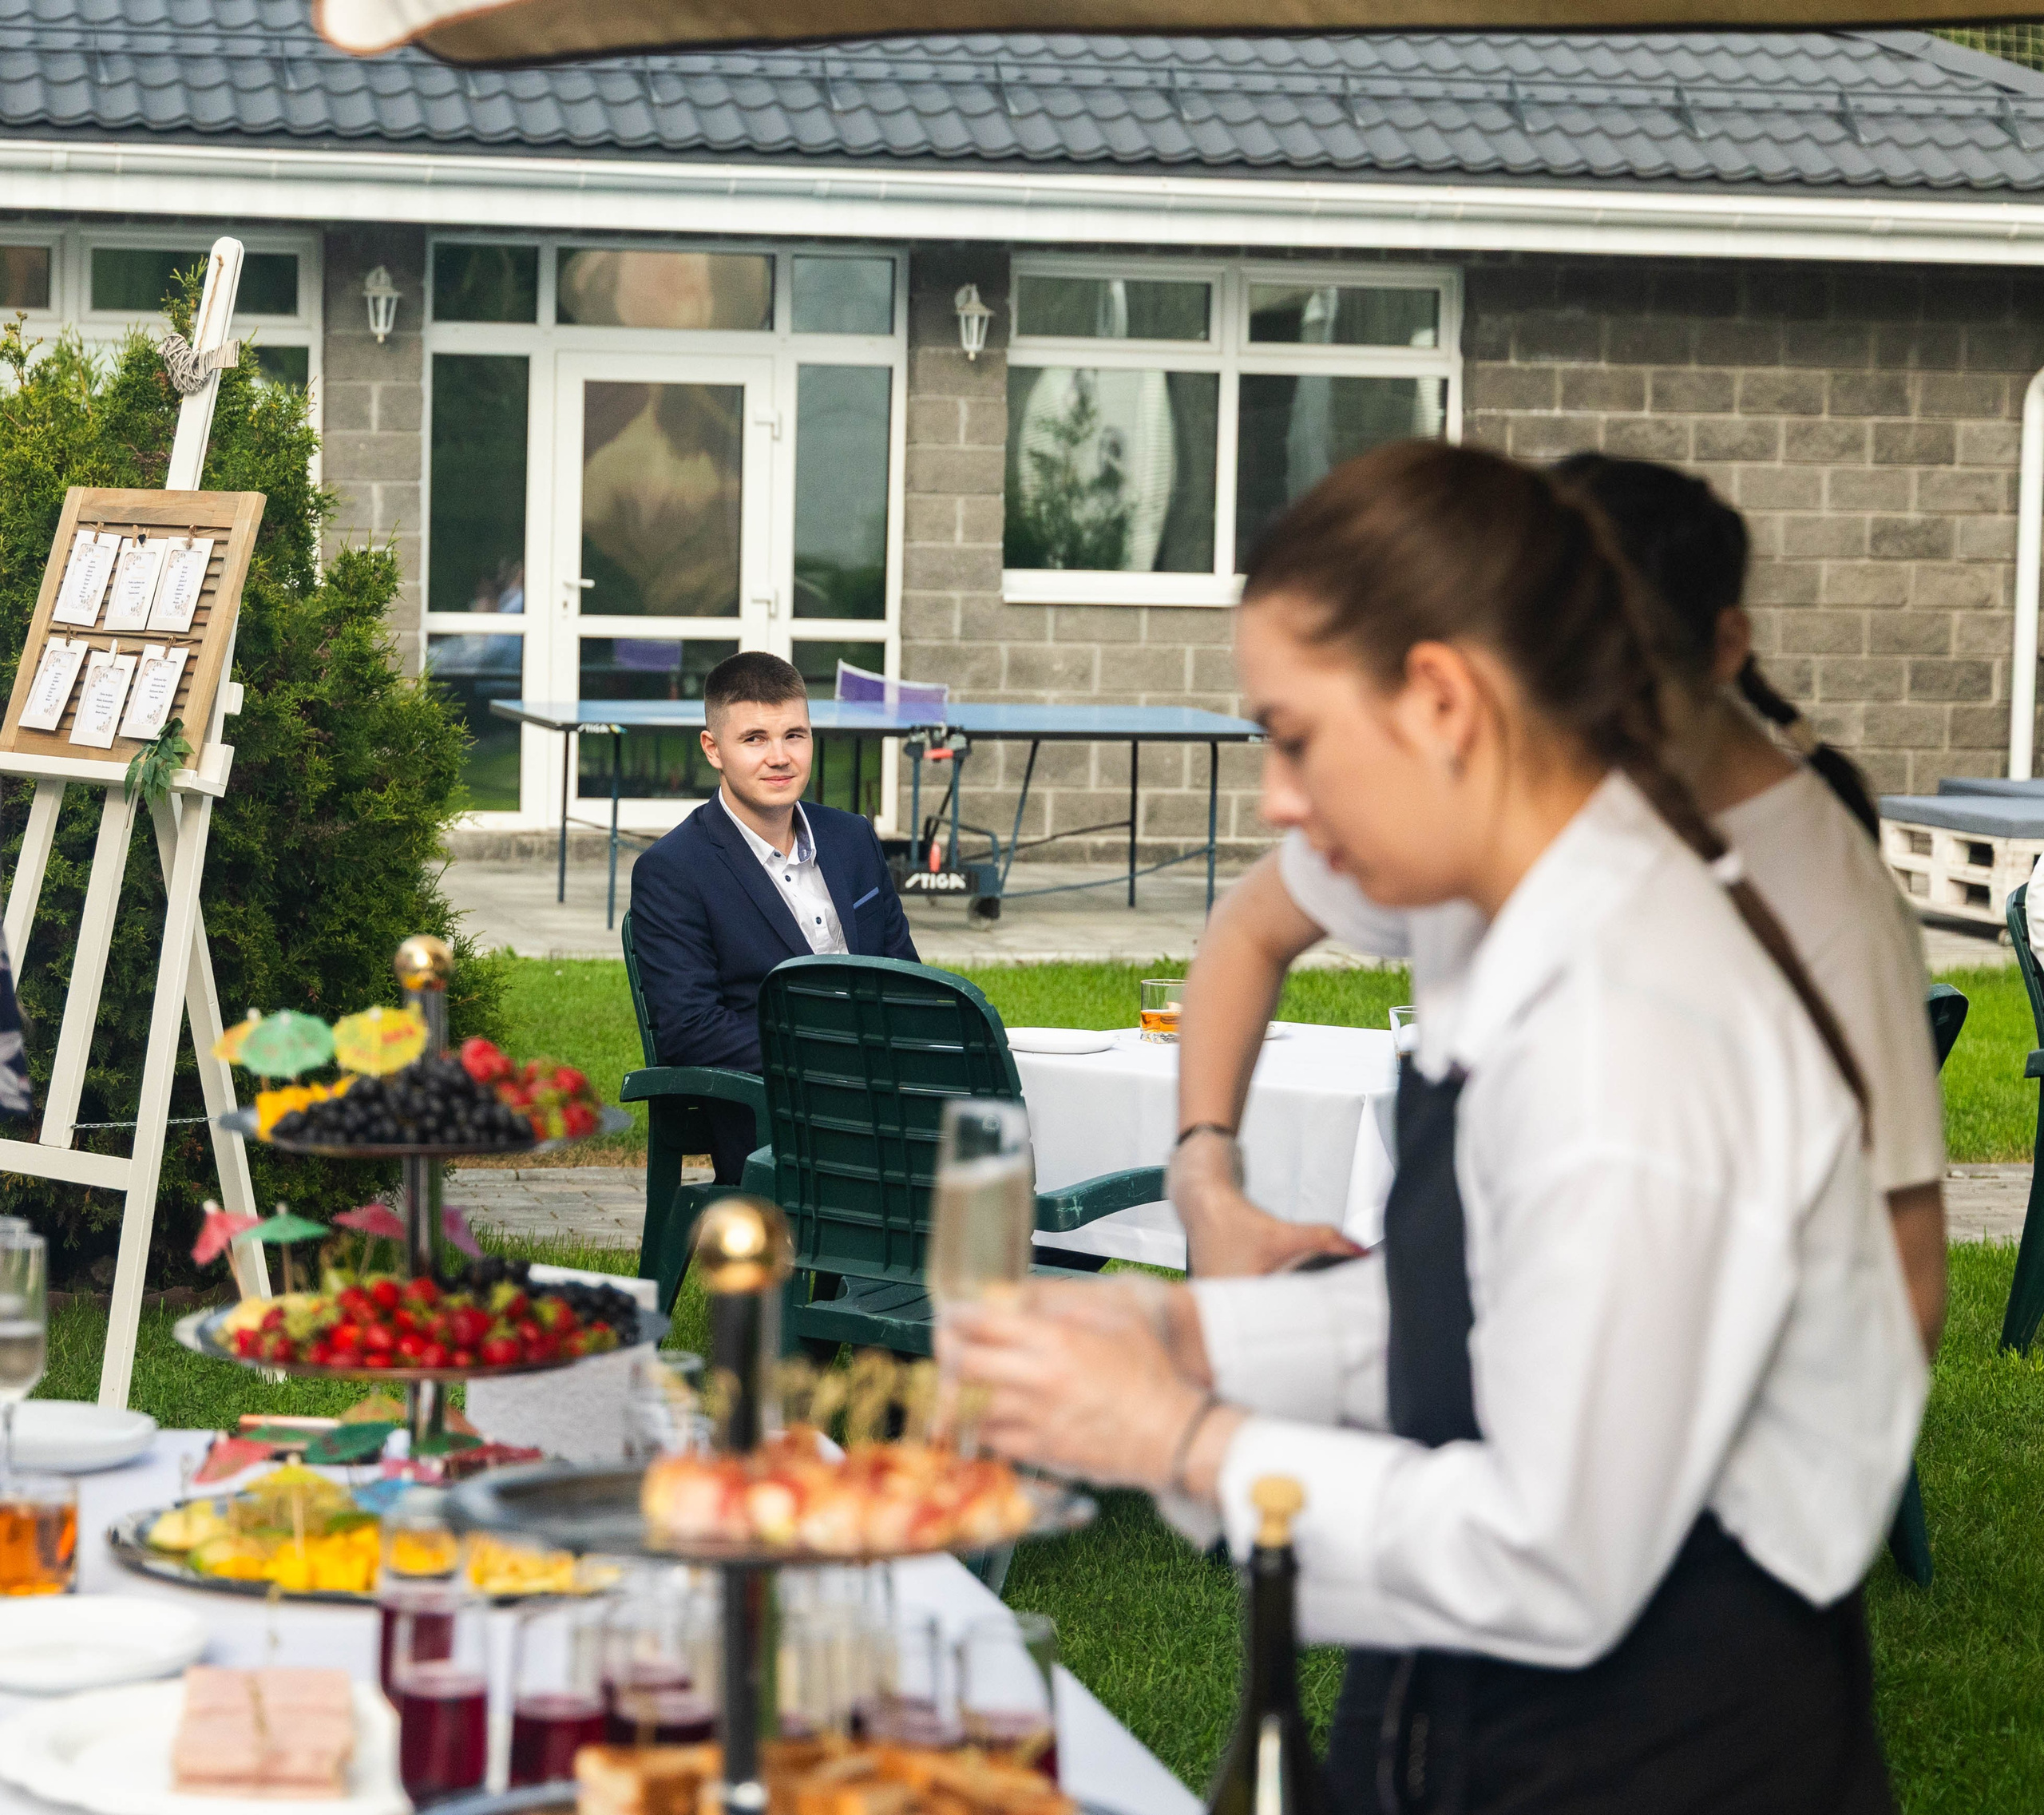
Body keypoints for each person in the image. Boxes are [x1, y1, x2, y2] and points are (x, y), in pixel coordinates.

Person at [949, 442, 1925, 1813]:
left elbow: (1554, 1551)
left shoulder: (1633, 1027)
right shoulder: (1524, 905)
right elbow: (1518, 1314)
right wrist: (1197, 1335)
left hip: (1657, 1748)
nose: (1280, 800)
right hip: (1484, 1715)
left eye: (1293, 737)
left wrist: (1177, 1437)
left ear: (1444, 699)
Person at [1174, 454, 1949, 1357]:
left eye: (1615, 683)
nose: (1571, 726)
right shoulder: (1472, 808)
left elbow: (1901, 1290)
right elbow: (1251, 926)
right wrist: (1207, 1180)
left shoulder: (1810, 909)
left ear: (1720, 650)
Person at [629, 651, 917, 1179]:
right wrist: (836, 1060)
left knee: (1027, 1130)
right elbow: (690, 1028)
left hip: (892, 1093)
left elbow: (905, 977)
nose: (780, 757)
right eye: (755, 739)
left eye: (795, 735)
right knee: (969, 1171)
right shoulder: (673, 870)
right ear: (713, 749)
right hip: (775, 1116)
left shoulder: (852, 839)